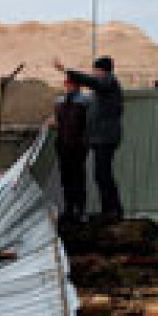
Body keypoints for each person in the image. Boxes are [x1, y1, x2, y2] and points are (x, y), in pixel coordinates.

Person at [54, 56, 124, 221]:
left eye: (96, 70)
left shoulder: (109, 81)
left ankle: (113, 210)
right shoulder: (103, 87)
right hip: (99, 138)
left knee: (103, 174)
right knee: (100, 174)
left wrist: (67, 71)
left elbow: (92, 82)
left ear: (102, 70)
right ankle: (109, 210)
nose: (94, 73)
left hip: (105, 137)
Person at [53, 76, 90, 222]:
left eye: (72, 85)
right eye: (67, 84)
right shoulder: (60, 102)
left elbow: (87, 124)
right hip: (63, 144)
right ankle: (69, 208)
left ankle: (80, 209)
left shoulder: (84, 102)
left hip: (78, 145)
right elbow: (59, 122)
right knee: (66, 178)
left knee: (78, 178)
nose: (69, 87)